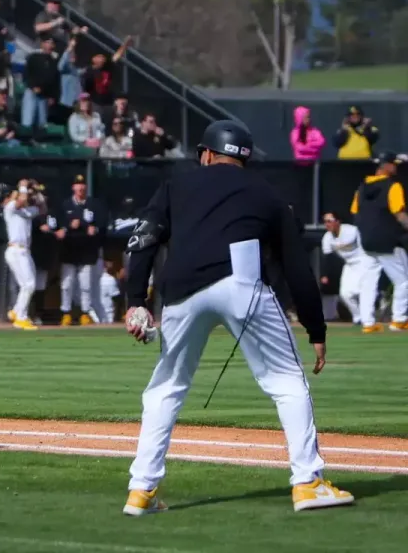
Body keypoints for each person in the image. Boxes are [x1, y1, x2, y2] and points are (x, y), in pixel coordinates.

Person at [122, 120, 351, 515]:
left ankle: (141, 490)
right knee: (285, 381)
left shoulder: (177, 185)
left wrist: (135, 299)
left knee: (166, 388)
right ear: (244, 158)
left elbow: (142, 239)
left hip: (180, 289)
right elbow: (297, 267)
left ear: (207, 154)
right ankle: (308, 482)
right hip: (241, 284)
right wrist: (316, 327)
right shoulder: (267, 193)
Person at [350, 152, 408, 332]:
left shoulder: (362, 187)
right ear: (385, 166)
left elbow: (354, 211)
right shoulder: (393, 186)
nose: (396, 167)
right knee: (403, 280)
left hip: (366, 240)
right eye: (393, 164)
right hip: (387, 240)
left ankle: (368, 323)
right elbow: (399, 214)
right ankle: (398, 320)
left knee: (368, 281)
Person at [319, 212, 381, 334]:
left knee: (365, 293)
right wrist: (324, 274)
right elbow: (327, 257)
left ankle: (368, 321)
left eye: (330, 221)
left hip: (366, 261)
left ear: (338, 221)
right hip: (350, 265)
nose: (327, 224)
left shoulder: (351, 231)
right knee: (345, 294)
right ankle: (358, 318)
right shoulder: (327, 237)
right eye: (325, 221)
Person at [56, 175, 106, 325]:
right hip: (69, 249)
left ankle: (85, 312)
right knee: (67, 283)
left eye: (83, 185)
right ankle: (66, 312)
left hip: (87, 250)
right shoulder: (65, 205)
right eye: (77, 185)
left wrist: (94, 228)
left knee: (85, 284)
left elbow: (103, 224)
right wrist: (67, 226)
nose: (80, 188)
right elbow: (57, 225)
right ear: (73, 187)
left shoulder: (94, 204)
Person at [2, 180, 44, 330]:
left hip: (25, 251)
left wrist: (37, 191)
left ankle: (16, 311)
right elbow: (21, 200)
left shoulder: (27, 210)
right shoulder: (10, 207)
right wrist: (23, 186)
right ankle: (20, 317)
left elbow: (42, 209)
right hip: (15, 250)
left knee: (29, 284)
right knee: (28, 284)